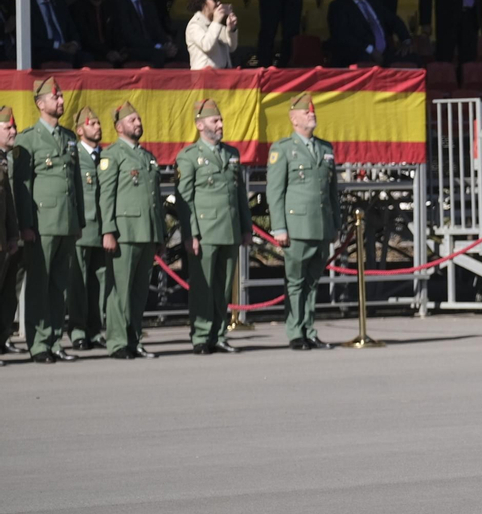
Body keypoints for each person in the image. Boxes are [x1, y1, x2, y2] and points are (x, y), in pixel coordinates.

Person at [14, 77, 87, 364]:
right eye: (54, 97)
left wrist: (79, 218)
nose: (60, 101)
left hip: (66, 221)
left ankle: (55, 339)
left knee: (60, 285)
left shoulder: (69, 138)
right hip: (42, 222)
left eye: (61, 97)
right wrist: (26, 225)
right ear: (39, 103)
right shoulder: (28, 139)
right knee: (39, 285)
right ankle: (39, 343)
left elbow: (76, 184)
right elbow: (23, 186)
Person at [175, 100, 250, 355]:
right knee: (202, 287)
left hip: (229, 230)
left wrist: (246, 228)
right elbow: (184, 200)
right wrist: (190, 233)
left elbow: (240, 194)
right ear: (199, 125)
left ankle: (218, 334)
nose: (220, 124)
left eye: (220, 120)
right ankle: (200, 335)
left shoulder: (232, 154)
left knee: (223, 286)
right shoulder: (188, 156)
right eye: (214, 121)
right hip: (205, 233)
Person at [266, 94, 339, 350]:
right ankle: (296, 332)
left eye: (312, 111)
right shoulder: (283, 149)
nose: (311, 114)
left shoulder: (326, 149)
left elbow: (332, 193)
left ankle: (309, 329)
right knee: (295, 282)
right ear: (293, 118)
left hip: (321, 226)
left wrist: (335, 226)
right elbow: (275, 191)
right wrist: (279, 227)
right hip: (296, 227)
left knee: (312, 281)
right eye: (306, 112)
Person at [97, 101, 162, 360]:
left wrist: (159, 234)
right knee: (119, 292)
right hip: (124, 232)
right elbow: (106, 196)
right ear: (118, 126)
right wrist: (108, 230)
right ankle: (117, 342)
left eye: (138, 119)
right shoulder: (112, 155)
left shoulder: (148, 157)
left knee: (138, 293)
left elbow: (154, 199)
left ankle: (134, 340)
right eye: (132, 120)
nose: (138, 123)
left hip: (146, 232)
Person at [67, 107, 107, 351]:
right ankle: (78, 330)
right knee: (78, 283)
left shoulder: (106, 156)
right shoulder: (74, 156)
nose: (98, 127)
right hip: (83, 228)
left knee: (99, 283)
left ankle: (94, 330)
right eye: (93, 124)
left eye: (100, 124)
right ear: (80, 130)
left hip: (103, 229)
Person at [327, 0, 411, 67]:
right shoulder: (338, 6)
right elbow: (342, 36)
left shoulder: (373, 1)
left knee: (411, 57)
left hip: (384, 52)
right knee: (364, 61)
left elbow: (394, 20)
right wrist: (370, 50)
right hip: (358, 53)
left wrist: (406, 40)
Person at [111, 0, 177, 64]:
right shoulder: (119, 3)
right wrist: (157, 47)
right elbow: (128, 35)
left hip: (152, 48)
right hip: (130, 49)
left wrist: (168, 45)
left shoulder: (148, 5)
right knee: (158, 54)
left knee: (179, 53)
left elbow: (158, 30)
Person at [0, 107, 23, 355]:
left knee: (9, 292)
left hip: (11, 235)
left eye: (14, 127)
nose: (13, 131)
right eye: (7, 128)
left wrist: (15, 233)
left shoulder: (17, 158)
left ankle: (3, 337)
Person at [29, 0, 84, 67]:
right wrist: (56, 46)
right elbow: (29, 38)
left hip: (65, 48)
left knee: (87, 57)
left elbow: (72, 29)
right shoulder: (26, 4)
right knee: (65, 57)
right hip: (42, 51)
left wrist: (74, 44)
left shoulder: (59, 3)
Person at [68, 0, 125, 65]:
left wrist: (120, 50)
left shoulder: (110, 7)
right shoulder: (77, 8)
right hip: (90, 51)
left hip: (110, 51)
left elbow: (117, 32)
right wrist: (106, 52)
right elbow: (85, 37)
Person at [185, 0, 240, 69]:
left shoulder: (215, 24)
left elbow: (231, 47)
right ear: (203, 2)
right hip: (204, 78)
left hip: (222, 76)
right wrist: (216, 22)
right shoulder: (194, 25)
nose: (218, 3)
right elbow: (207, 45)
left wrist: (231, 29)